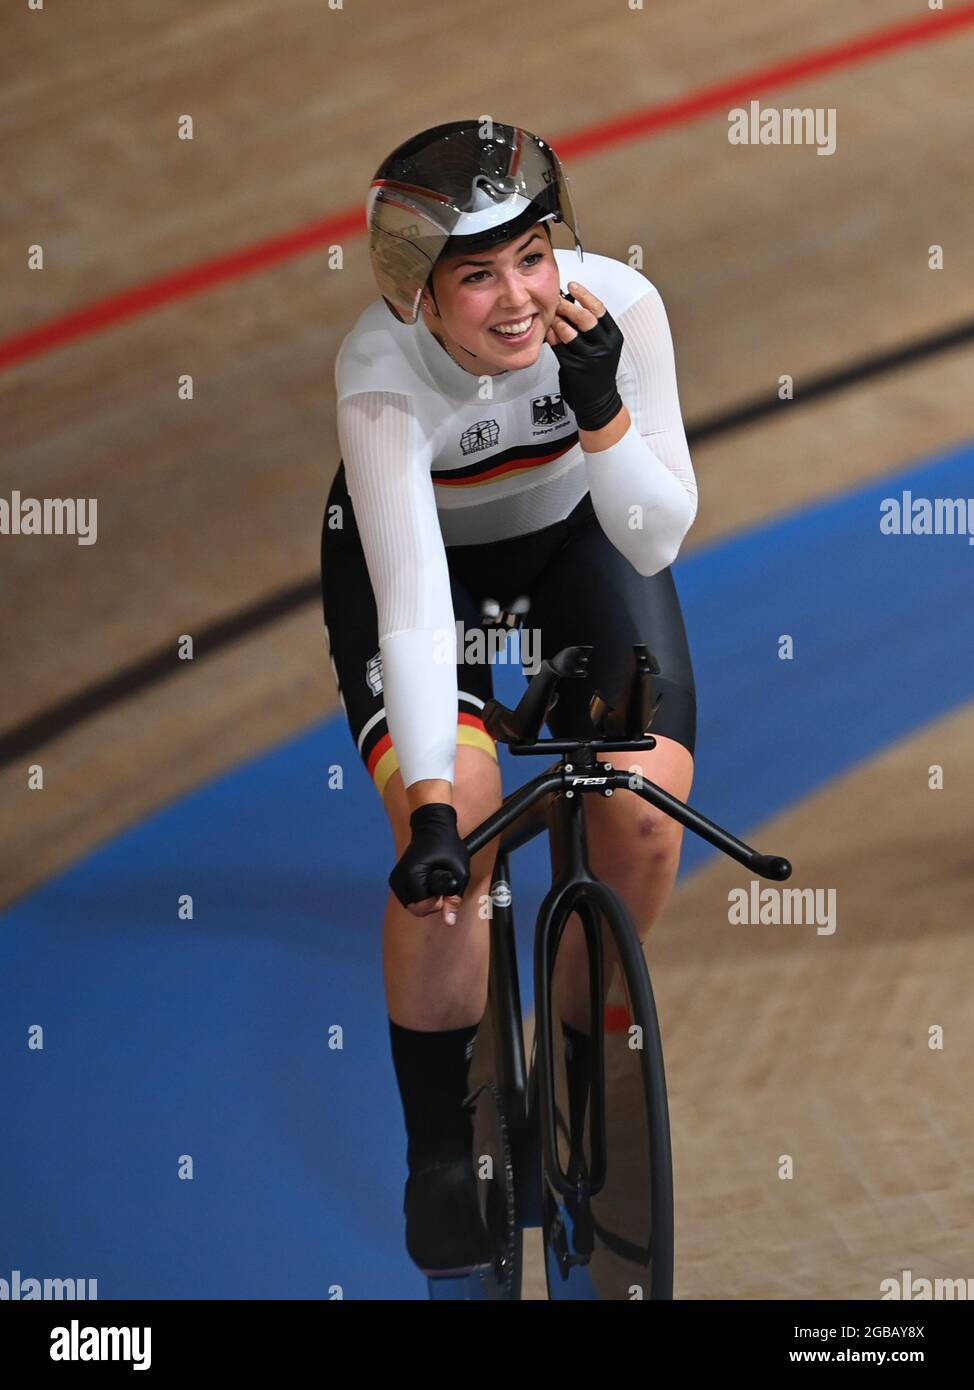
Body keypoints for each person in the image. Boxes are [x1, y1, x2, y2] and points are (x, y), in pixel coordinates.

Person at [320, 120, 698, 1278]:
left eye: (530, 256)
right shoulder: (378, 370)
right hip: (430, 572)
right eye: (475, 276)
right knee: (455, 852)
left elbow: (653, 533)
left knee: (642, 810)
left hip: (583, 549)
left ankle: (589, 1072)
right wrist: (434, 809)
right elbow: (420, 609)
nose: (517, 298)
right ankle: (439, 1148)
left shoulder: (616, 306)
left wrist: (601, 409)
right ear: (416, 296)